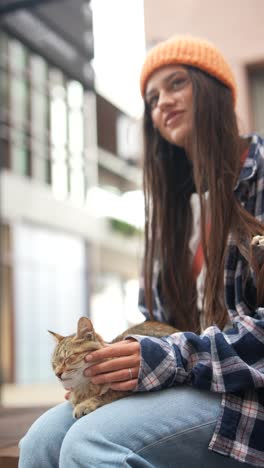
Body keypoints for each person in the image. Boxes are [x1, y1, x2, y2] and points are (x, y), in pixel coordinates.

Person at [19, 36, 264, 468]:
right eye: (152, 98)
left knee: (90, 443)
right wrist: (103, 371)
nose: (162, 103)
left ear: (216, 93)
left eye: (176, 84)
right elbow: (151, 319)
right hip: (184, 391)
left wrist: (169, 359)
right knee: (38, 441)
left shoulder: (260, 174)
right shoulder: (172, 210)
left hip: (246, 398)